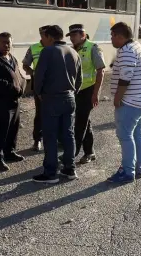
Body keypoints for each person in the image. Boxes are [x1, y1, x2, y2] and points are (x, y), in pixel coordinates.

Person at [32, 25, 82, 184]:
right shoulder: (74, 52)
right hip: (70, 98)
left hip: (52, 99)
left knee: (50, 136)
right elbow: (79, 79)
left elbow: (39, 77)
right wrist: (73, 92)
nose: (42, 40)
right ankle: (70, 168)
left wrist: (39, 93)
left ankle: (50, 173)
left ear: (50, 37)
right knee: (68, 134)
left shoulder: (47, 52)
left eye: (44, 37)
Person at [108, 22, 141, 184]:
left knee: (125, 136)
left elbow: (125, 78)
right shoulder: (137, 47)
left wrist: (118, 98)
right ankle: (138, 168)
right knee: (137, 134)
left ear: (120, 36)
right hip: (140, 99)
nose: (111, 39)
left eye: (112, 36)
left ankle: (127, 171)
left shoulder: (127, 51)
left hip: (130, 101)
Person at [0, 32, 27, 172]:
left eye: (8, 42)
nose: (6, 45)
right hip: (2, 99)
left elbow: (19, 75)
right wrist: (15, 89)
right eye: (3, 42)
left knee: (13, 127)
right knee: (1, 129)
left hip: (15, 99)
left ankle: (9, 152)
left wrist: (22, 86)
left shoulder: (12, 58)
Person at [67, 24, 105, 164]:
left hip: (88, 90)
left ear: (83, 35)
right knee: (85, 122)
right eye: (70, 35)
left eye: (74, 35)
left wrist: (96, 93)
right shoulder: (72, 49)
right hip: (76, 91)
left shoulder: (93, 47)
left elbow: (100, 70)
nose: (71, 38)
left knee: (79, 123)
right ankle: (89, 152)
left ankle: (72, 154)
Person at [22, 25, 50, 152]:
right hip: (39, 85)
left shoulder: (54, 46)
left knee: (55, 112)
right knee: (39, 113)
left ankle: (53, 139)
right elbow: (25, 65)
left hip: (54, 84)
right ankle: (37, 140)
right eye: (44, 34)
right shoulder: (33, 48)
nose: (46, 36)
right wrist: (33, 73)